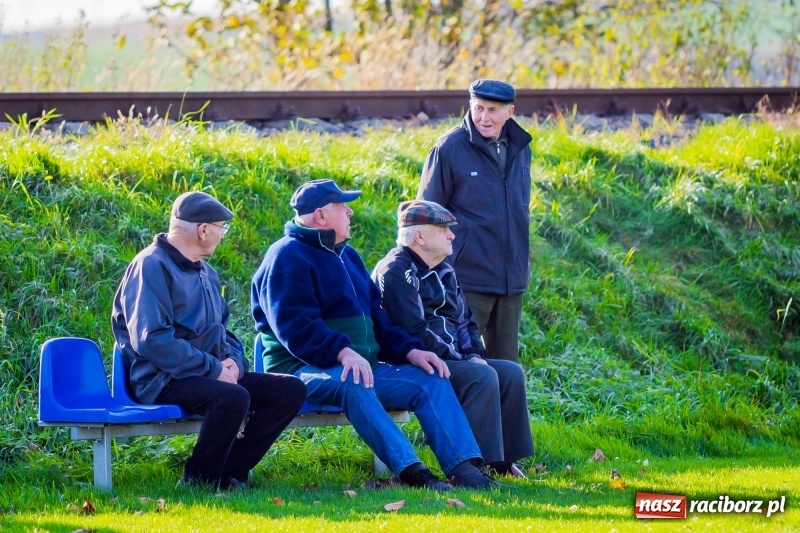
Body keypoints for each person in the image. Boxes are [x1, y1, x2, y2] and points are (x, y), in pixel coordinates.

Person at [250, 179, 498, 491]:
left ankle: (466, 469)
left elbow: (379, 320)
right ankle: (414, 473)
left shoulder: (348, 255)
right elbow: (295, 327)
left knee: (431, 378)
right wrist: (342, 352)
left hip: (361, 367)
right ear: (320, 216)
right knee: (353, 382)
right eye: (342, 207)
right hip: (298, 372)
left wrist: (410, 351)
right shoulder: (285, 257)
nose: (350, 212)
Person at [112, 191, 307, 491]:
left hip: (206, 374)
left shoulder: (207, 272)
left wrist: (234, 362)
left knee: (289, 389)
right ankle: (199, 482)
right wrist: (213, 369)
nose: (222, 235)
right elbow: (153, 340)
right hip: (163, 379)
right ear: (203, 230)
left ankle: (230, 472)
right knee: (233, 397)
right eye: (221, 228)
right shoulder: (151, 265)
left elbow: (223, 331)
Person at [373, 200, 535, 478]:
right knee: (480, 376)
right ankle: (475, 465)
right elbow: (414, 331)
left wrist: (473, 353)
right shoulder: (396, 270)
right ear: (419, 236)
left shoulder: (445, 270)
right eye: (443, 229)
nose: (452, 235)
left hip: (452, 358)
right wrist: (465, 361)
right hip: (413, 361)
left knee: (510, 372)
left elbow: (465, 321)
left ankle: (503, 462)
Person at [418, 79, 533, 364]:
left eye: (493, 110)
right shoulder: (448, 148)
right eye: (478, 108)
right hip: (465, 280)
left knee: (507, 368)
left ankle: (503, 412)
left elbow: (518, 211)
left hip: (510, 281)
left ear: (510, 112)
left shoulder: (521, 148)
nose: (483, 117)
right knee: (459, 363)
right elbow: (425, 215)